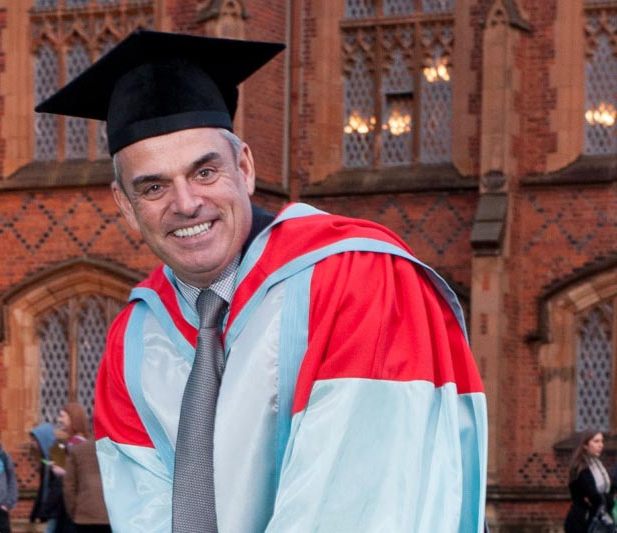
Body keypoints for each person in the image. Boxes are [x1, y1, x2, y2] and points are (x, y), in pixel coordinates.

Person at [37, 30, 488, 531]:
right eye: (154, 186)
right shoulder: (134, 339)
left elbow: (355, 504)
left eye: (205, 172)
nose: (185, 203)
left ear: (245, 168)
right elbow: (143, 511)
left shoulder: (355, 278)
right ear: (125, 206)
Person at [54, 404, 109, 533]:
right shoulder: (121, 451)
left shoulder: (77, 447)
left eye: (62, 416)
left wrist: (74, 510)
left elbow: (69, 485)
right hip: (108, 515)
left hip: (84, 513)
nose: (58, 420)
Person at [564, 430, 613, 533]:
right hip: (582, 520)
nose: (601, 445)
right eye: (596, 441)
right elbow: (592, 494)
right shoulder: (581, 467)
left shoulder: (598, 465)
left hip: (599, 517)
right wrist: (604, 498)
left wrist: (606, 498)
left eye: (601, 441)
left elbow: (606, 494)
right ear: (585, 445)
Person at [29, 423, 64, 533]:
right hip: (52, 509)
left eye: (35, 440)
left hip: (57, 509)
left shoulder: (57, 455)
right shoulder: (46, 459)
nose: (33, 443)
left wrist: (45, 509)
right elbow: (43, 488)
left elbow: (57, 485)